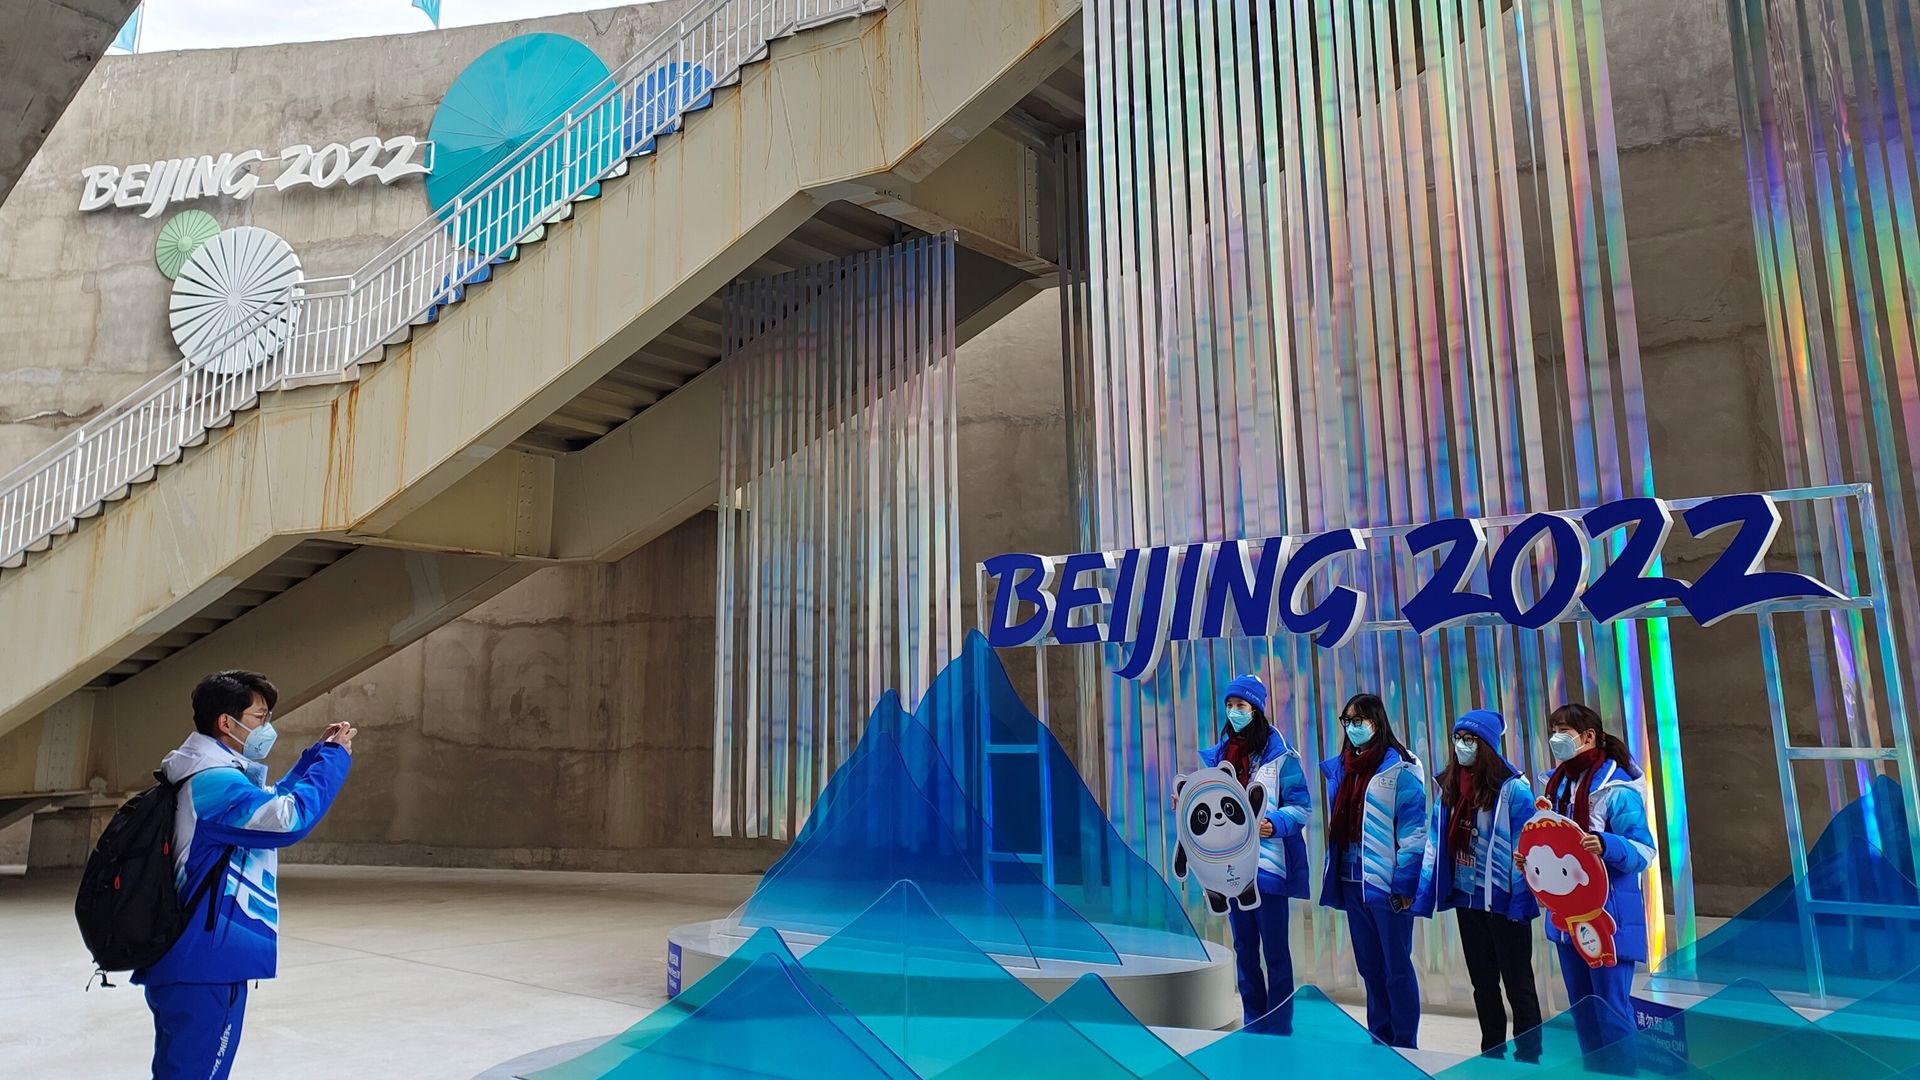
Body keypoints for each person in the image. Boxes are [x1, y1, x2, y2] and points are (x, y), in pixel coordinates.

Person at [132, 671, 355, 1080]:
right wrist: (335, 760)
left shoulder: (212, 774)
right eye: (260, 717)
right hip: (200, 966)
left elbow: (267, 804)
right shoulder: (212, 782)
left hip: (204, 962)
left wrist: (314, 758)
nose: (266, 727)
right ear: (225, 723)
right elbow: (288, 819)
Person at [1413, 709, 1543, 1061]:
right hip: (1468, 899)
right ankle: (1492, 1052)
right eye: (1458, 739)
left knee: (1519, 985)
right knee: (1483, 984)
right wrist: (1424, 894)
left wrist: (1519, 902)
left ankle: (1529, 1056)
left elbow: (1525, 849)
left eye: (1469, 740)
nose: (1461, 746)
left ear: (1486, 745)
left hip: (1504, 901)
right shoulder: (1451, 789)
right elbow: (1435, 843)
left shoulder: (1514, 790)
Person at [1535, 702, 1656, 1068]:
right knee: (1583, 1010)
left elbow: (1644, 850)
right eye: (1553, 729)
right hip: (1566, 920)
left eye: (1564, 732)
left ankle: (1623, 1074)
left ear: (1588, 737)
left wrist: (1607, 844)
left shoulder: (1617, 791)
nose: (1556, 738)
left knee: (1611, 1010)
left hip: (1609, 918)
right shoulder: (1554, 788)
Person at [1198, 673, 1312, 1033]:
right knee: (1245, 950)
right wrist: (1187, 802)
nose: (1234, 712)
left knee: (1275, 953)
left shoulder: (1281, 758)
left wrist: (1274, 823)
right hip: (1231, 869)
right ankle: (1253, 1023)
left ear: (1256, 709)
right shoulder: (1218, 757)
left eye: (1241, 706)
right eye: (1230, 706)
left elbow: (1302, 807)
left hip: (1268, 868)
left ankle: (1278, 1026)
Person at [1318, 692, 1427, 1049]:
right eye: (1347, 720)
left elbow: (1414, 833)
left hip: (1388, 886)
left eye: (1359, 720)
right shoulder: (1342, 768)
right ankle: (1380, 1040)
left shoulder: (1402, 768)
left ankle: (1405, 1044)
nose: (1352, 727)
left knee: (1396, 968)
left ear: (1376, 723)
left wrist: (1406, 883)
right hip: (1351, 882)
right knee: (1370, 968)